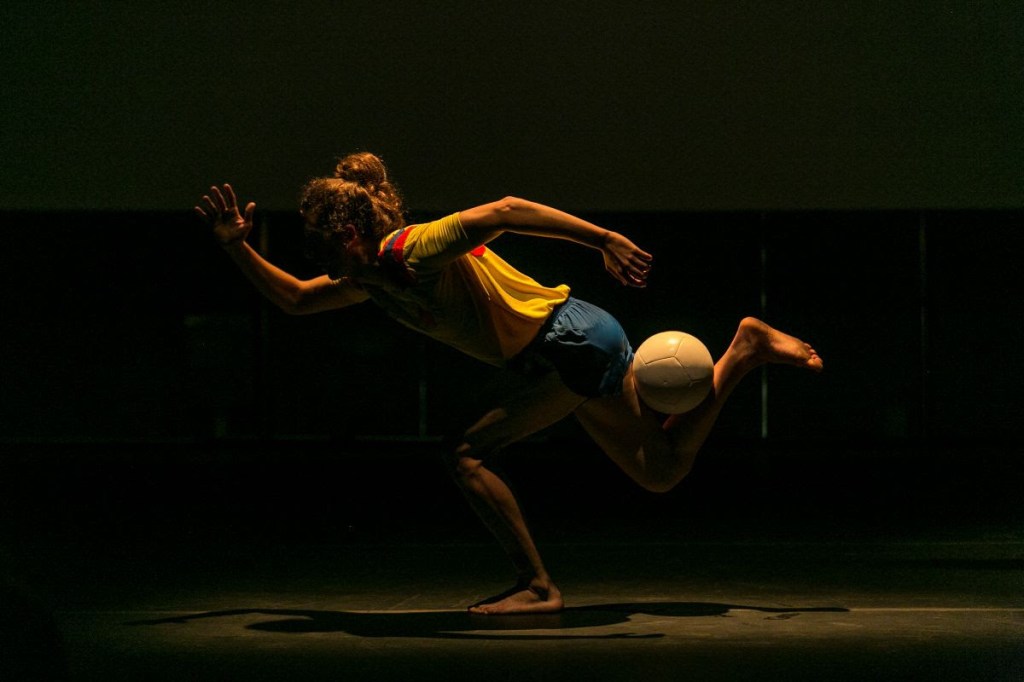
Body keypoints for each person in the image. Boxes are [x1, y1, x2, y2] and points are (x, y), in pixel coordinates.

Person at [194, 152, 823, 615]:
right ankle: (743, 350)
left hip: (566, 343)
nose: (317, 260)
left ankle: (538, 586)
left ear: (349, 235)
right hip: (566, 347)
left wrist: (602, 238)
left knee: (465, 452)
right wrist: (235, 250)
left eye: (320, 246)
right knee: (660, 470)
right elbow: (300, 301)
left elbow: (507, 211)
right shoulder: (369, 282)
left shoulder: (407, 251)